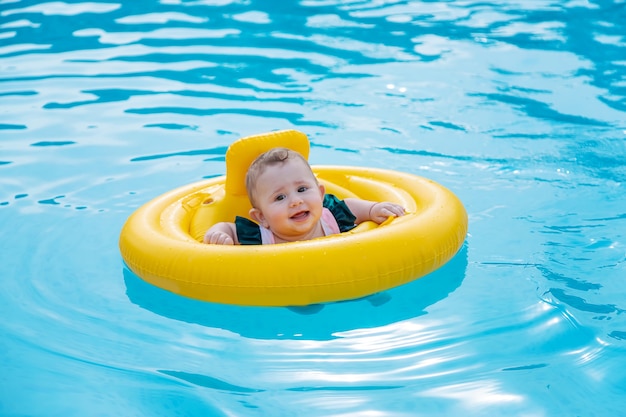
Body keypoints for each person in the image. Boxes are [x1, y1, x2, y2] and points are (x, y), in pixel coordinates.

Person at [203, 147, 405, 245]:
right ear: (262, 217)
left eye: (302, 190)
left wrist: (372, 209)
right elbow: (228, 227)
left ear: (320, 193)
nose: (296, 201)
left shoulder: (331, 219)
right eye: (280, 198)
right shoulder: (260, 236)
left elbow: (351, 207)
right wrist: (218, 232)